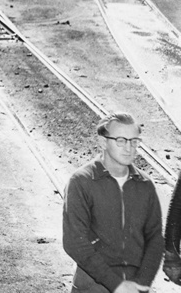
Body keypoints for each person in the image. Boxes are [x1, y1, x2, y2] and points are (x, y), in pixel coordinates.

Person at [62, 112, 163, 293]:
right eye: (121, 140)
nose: (129, 148)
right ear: (103, 142)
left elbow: (154, 238)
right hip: (93, 287)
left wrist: (141, 283)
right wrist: (117, 285)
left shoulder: (145, 184)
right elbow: (74, 243)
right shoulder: (82, 181)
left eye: (134, 141)